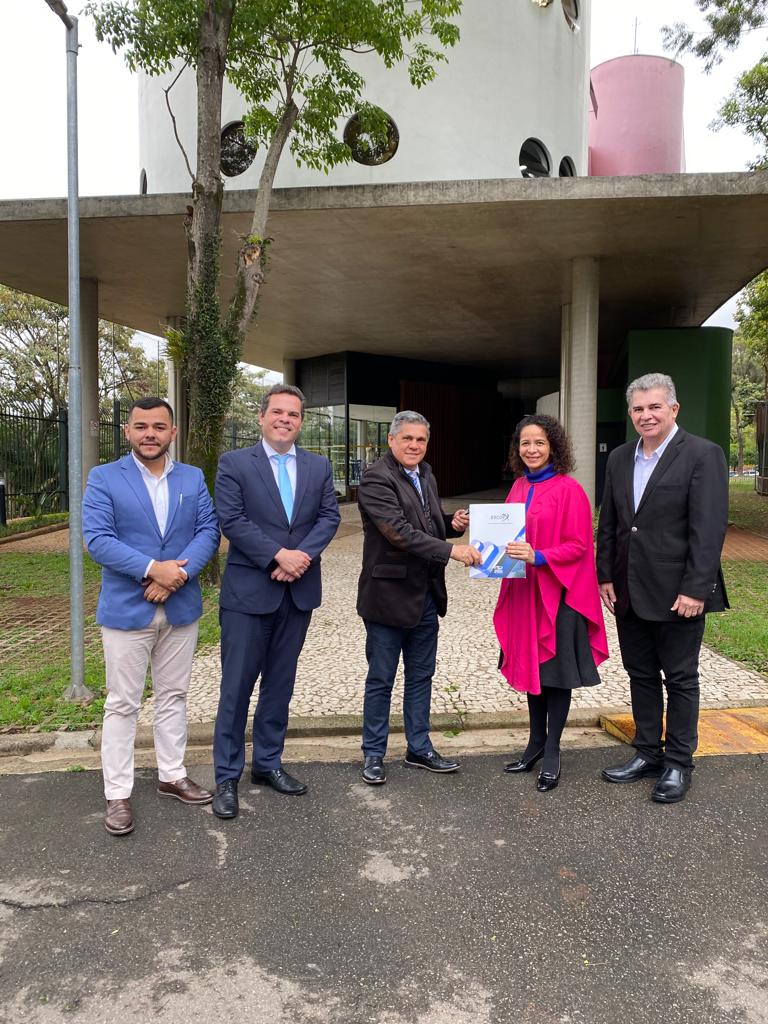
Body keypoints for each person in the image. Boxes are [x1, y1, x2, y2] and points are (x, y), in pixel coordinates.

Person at [82, 397, 220, 836]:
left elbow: (208, 531)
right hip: (127, 607)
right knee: (122, 703)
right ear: (127, 431)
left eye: (159, 427)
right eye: (141, 426)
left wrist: (175, 577)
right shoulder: (104, 477)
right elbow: (97, 539)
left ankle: (172, 775)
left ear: (172, 433)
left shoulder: (192, 478)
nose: (150, 434)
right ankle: (117, 793)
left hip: (179, 606)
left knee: (173, 695)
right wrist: (152, 569)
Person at [597, 372, 729, 803]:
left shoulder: (702, 454)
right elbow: (611, 523)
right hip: (628, 591)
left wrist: (696, 589)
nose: (646, 415)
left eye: (655, 406)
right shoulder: (620, 458)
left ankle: (678, 763)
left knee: (681, 678)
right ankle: (647, 753)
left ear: (674, 408)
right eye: (638, 408)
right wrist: (605, 575)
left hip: (678, 594)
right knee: (640, 675)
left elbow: (708, 529)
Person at [211, 384, 340, 818]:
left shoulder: (318, 466)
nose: (285, 419)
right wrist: (277, 555)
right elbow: (231, 519)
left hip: (297, 592)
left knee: (280, 684)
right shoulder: (234, 463)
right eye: (278, 412)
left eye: (294, 414)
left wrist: (299, 558)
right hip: (249, 594)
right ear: (262, 416)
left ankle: (267, 763)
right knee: (236, 688)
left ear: (301, 421)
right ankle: (227, 776)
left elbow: (329, 517)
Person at [356, 410, 482, 785]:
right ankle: (373, 753)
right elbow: (398, 531)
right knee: (381, 678)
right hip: (387, 597)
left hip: (426, 595)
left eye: (421, 439)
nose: (414, 445)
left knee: (421, 676)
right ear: (391, 440)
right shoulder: (375, 477)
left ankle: (419, 748)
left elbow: (426, 521)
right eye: (407, 438)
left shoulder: (425, 473)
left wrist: (450, 523)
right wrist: (452, 550)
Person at [493, 414, 609, 792]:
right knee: (533, 668)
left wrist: (539, 556)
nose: (532, 450)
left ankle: (554, 749)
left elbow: (579, 545)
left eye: (539, 443)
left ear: (553, 446)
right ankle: (535, 743)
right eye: (525, 443)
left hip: (558, 592)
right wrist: (486, 552)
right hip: (524, 592)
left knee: (555, 674)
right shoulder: (517, 486)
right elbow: (504, 538)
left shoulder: (569, 489)